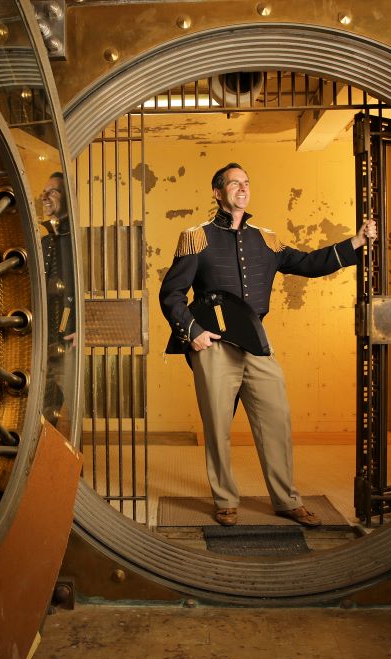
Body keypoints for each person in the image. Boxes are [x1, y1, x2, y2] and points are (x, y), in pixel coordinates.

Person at [159, 162, 377, 527]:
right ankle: (226, 500)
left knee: (275, 420)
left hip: (257, 343)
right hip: (214, 346)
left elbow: (308, 263)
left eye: (246, 182)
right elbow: (172, 293)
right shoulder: (196, 237)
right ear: (218, 192)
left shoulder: (267, 239)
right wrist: (193, 329)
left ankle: (287, 500)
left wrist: (354, 242)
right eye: (234, 184)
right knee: (217, 427)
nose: (242, 188)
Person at [38, 172, 76, 430]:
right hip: (45, 338)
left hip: (68, 338)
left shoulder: (75, 241)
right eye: (44, 191)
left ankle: (74, 464)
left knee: (72, 406)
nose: (45, 196)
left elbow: (81, 291)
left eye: (52, 191)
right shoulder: (44, 240)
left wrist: (79, 326)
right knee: (44, 402)